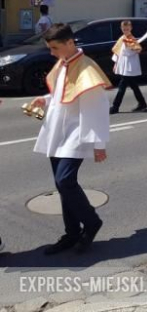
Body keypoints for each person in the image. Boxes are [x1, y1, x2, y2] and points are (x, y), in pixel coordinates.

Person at [30, 23, 112, 254]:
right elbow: (61, 93)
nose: (52, 53)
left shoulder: (87, 69)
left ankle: (92, 222)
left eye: (55, 48)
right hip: (58, 132)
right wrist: (45, 100)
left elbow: (97, 110)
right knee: (61, 184)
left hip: (77, 134)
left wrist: (99, 144)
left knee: (65, 181)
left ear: (69, 43)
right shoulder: (64, 64)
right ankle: (72, 232)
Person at [110, 20, 147, 115]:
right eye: (124, 29)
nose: (125, 31)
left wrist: (131, 47)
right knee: (134, 86)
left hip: (129, 66)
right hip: (124, 65)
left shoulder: (131, 39)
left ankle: (115, 107)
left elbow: (138, 50)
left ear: (131, 28)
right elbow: (118, 51)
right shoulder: (122, 38)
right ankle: (142, 103)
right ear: (121, 28)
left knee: (122, 87)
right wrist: (116, 63)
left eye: (127, 29)